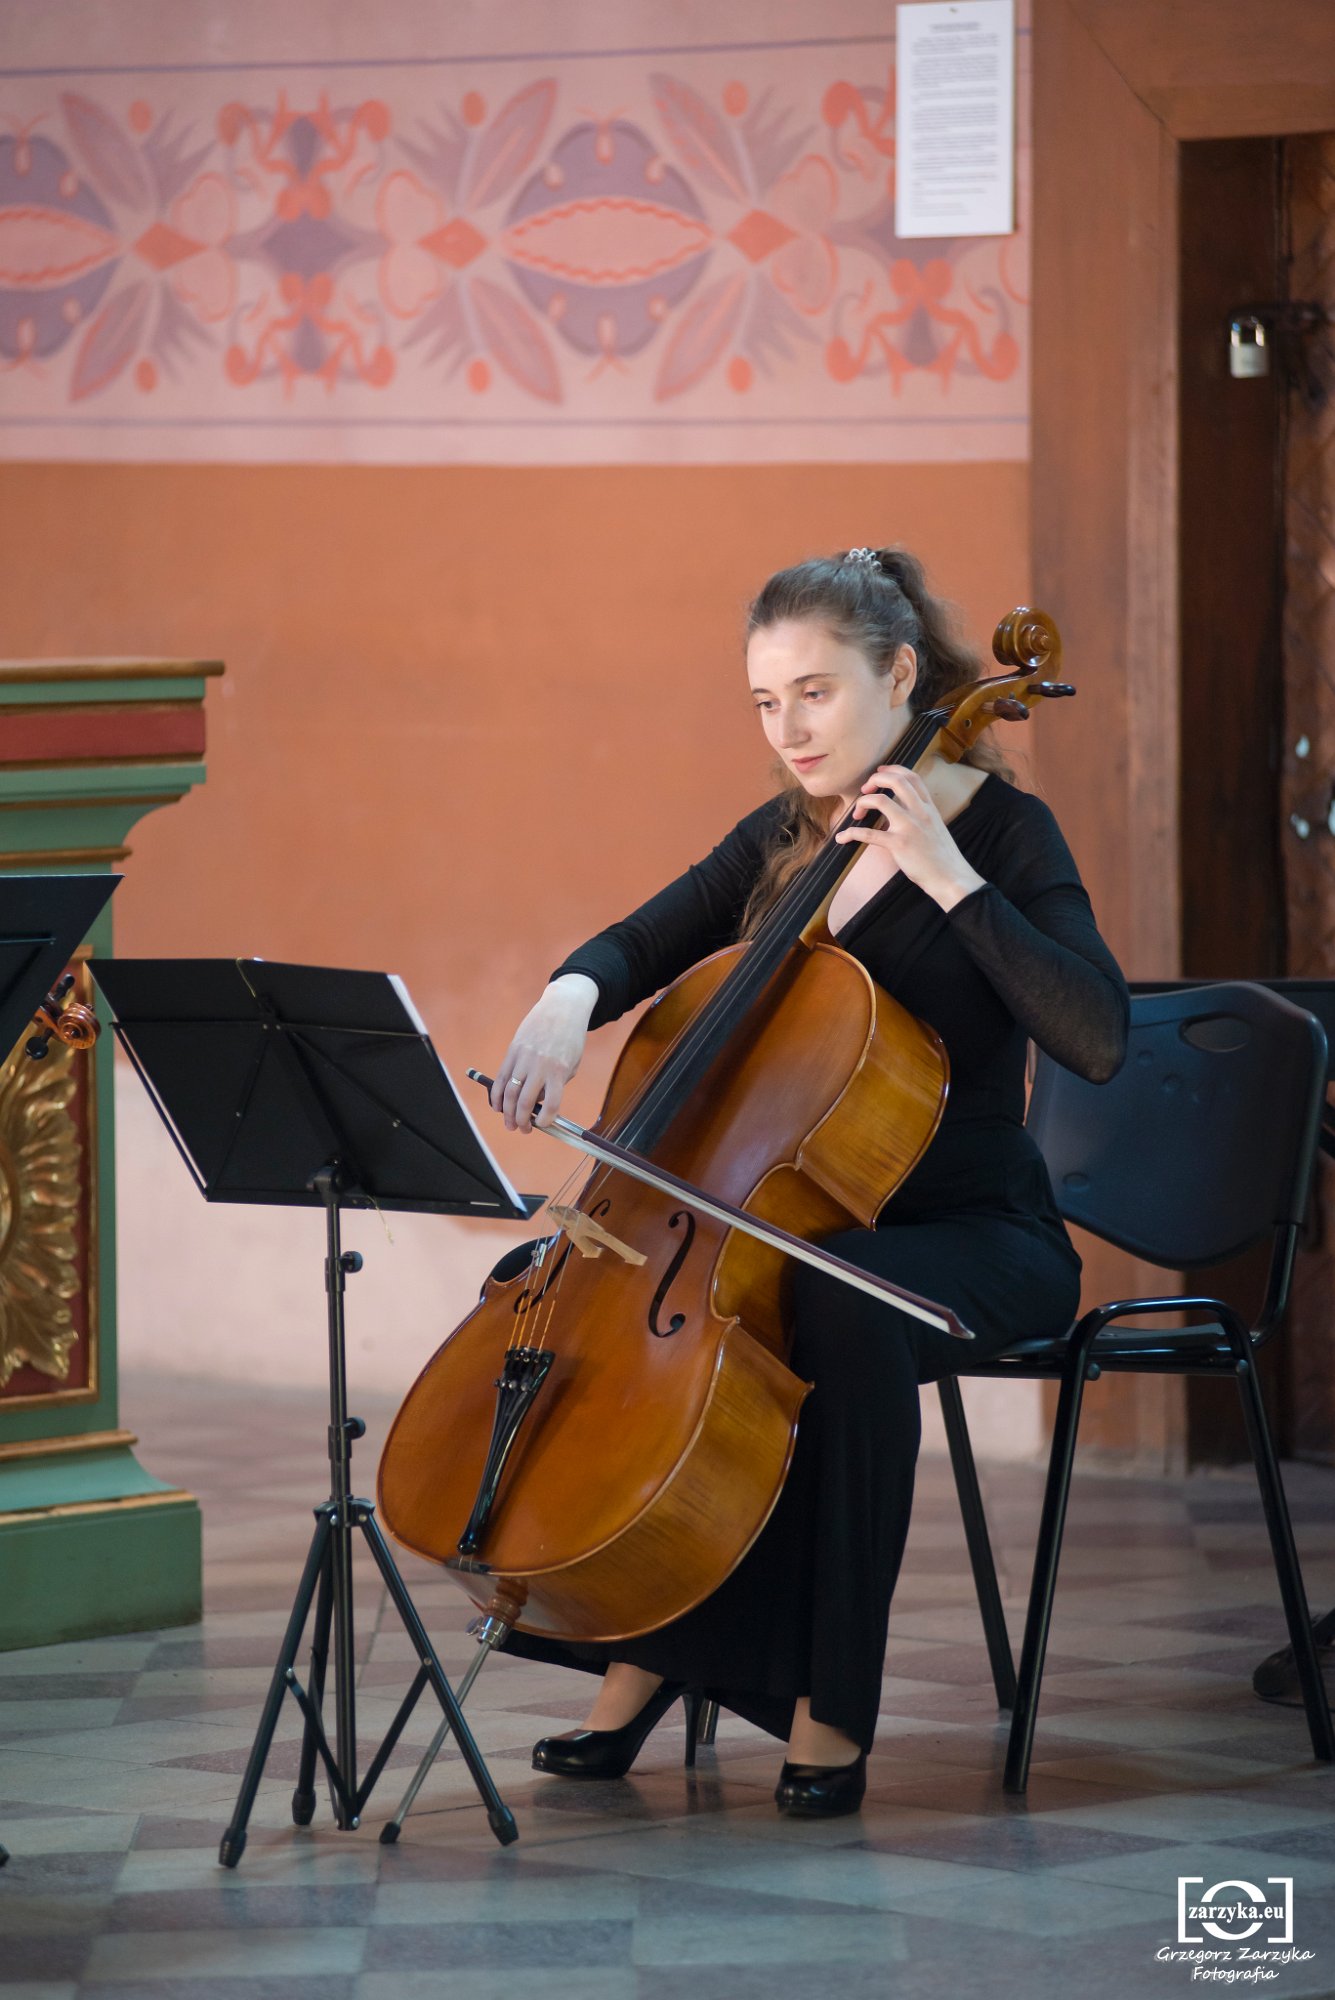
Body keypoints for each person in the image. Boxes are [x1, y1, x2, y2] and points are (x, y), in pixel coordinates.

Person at [485, 545, 1129, 1818]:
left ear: (900, 675)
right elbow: (649, 934)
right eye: (766, 702)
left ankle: (830, 1703)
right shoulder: (792, 832)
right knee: (592, 1288)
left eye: (815, 694)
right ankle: (646, 1637)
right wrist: (568, 995)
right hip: (807, 1225)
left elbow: (1097, 1033)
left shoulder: (1006, 833)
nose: (789, 730)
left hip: (976, 1234)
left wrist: (950, 878)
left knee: (833, 1302)